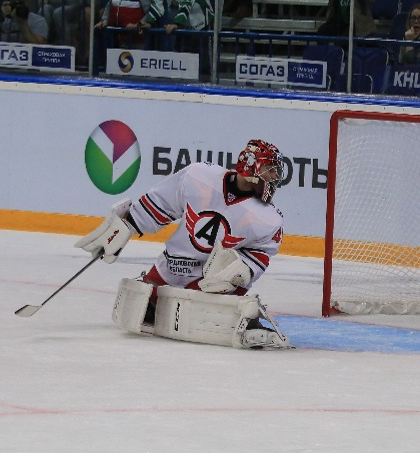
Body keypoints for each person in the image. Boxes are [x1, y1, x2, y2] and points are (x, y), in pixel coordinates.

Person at [73, 139, 290, 349]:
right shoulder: (199, 176)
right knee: (137, 308)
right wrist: (126, 225)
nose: (275, 177)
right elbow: (159, 204)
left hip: (210, 284)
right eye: (270, 169)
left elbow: (260, 253)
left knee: (222, 314)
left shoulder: (269, 218)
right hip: (170, 269)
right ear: (251, 165)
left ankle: (239, 319)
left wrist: (242, 270)